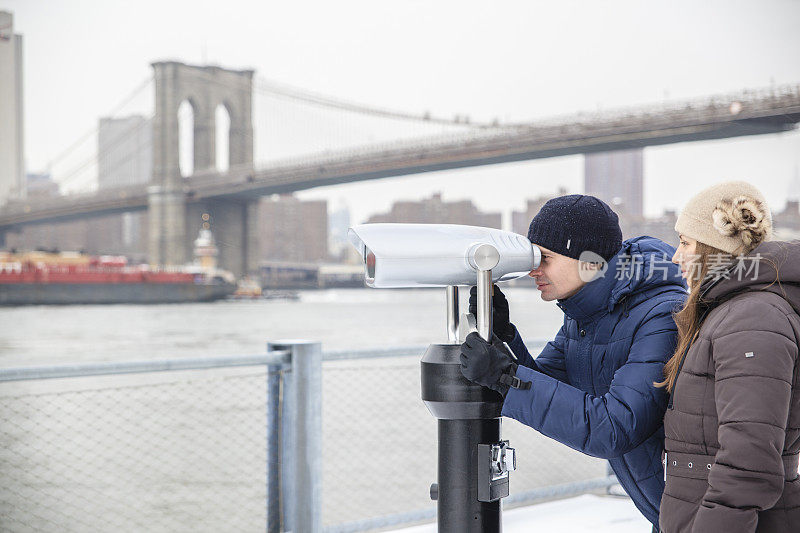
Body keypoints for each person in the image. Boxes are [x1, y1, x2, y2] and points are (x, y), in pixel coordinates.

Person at [459, 194, 686, 530]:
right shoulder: (585, 317)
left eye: (545, 259)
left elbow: (614, 427)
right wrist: (505, 335)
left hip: (701, 514)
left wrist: (504, 377)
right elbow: (547, 387)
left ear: (589, 262)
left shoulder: (661, 315)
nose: (534, 271)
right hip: (666, 514)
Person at [657, 181, 800, 533]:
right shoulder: (731, 311)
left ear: (714, 248)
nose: (676, 257)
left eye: (685, 243)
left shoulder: (753, 318)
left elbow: (748, 460)